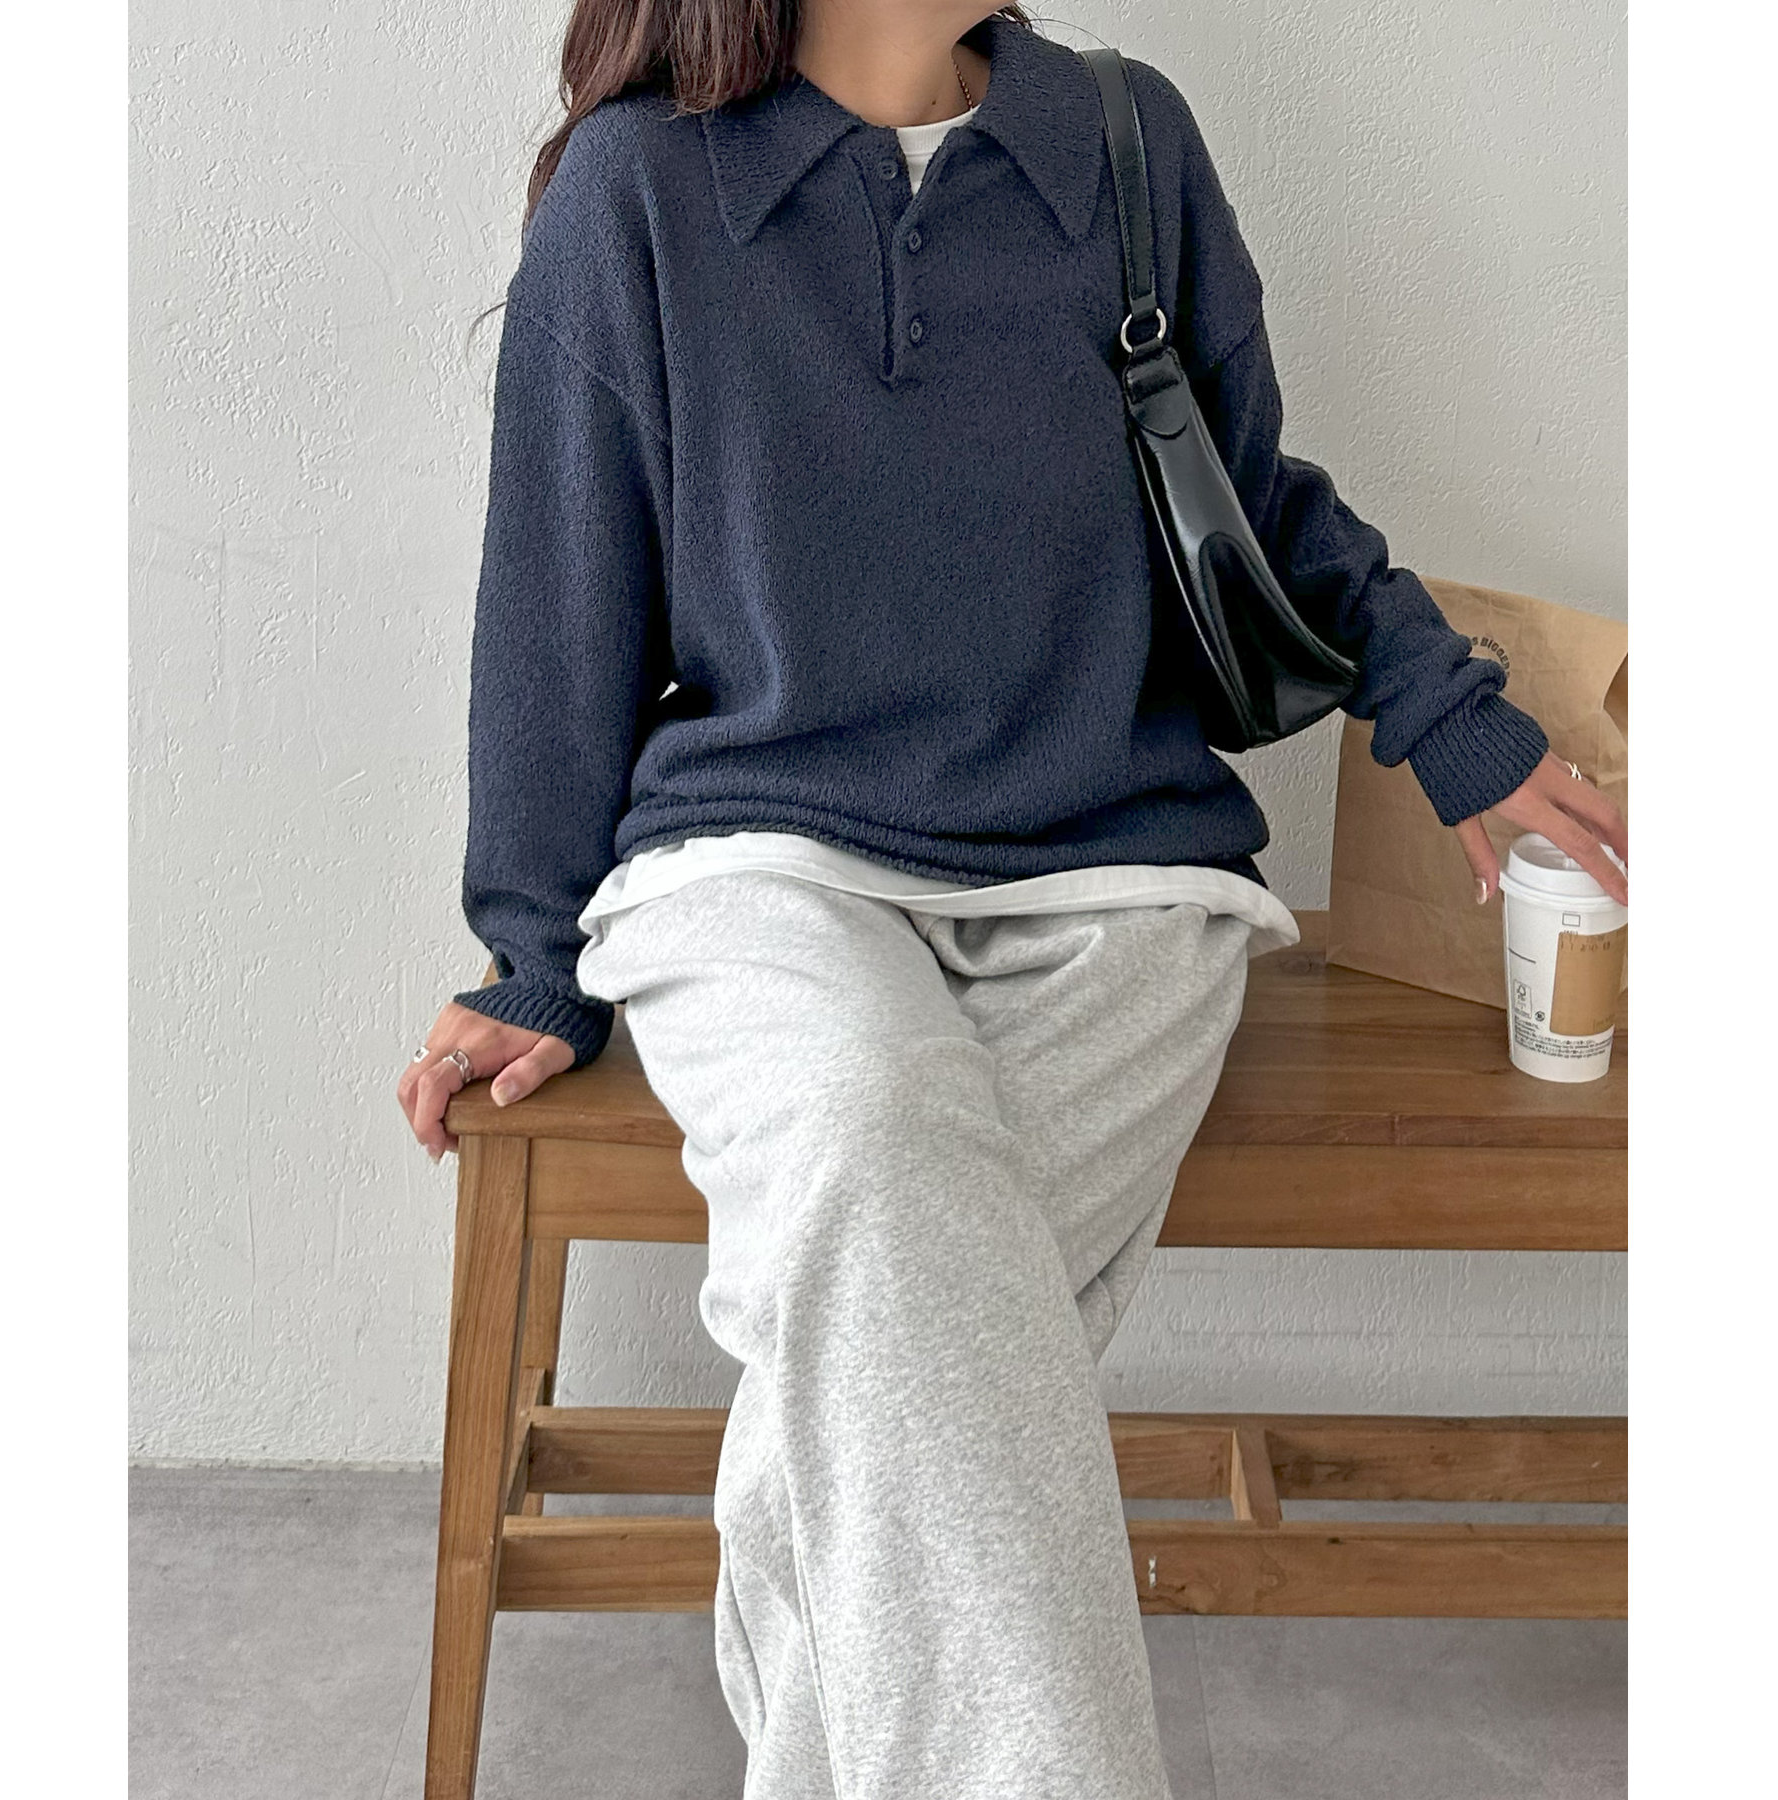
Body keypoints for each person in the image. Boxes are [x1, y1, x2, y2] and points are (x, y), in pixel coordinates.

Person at [398, 5, 1628, 1794]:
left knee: (880, 1344)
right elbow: (556, 595)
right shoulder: (641, 192)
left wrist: (1448, 716)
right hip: (762, 863)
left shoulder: (1121, 145)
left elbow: (1248, 495)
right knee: (879, 1166)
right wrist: (533, 951)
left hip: (1120, 878)